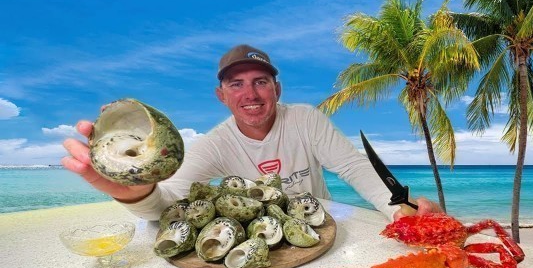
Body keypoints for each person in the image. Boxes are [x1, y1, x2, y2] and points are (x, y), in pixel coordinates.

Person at [62, 44, 441, 222]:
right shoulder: (215, 143)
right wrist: (137, 193)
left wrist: (399, 209)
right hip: (261, 239)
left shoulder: (305, 118)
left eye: (261, 82)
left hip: (323, 229)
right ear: (221, 96)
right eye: (236, 84)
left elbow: (353, 167)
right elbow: (169, 202)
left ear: (277, 89)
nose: (251, 94)